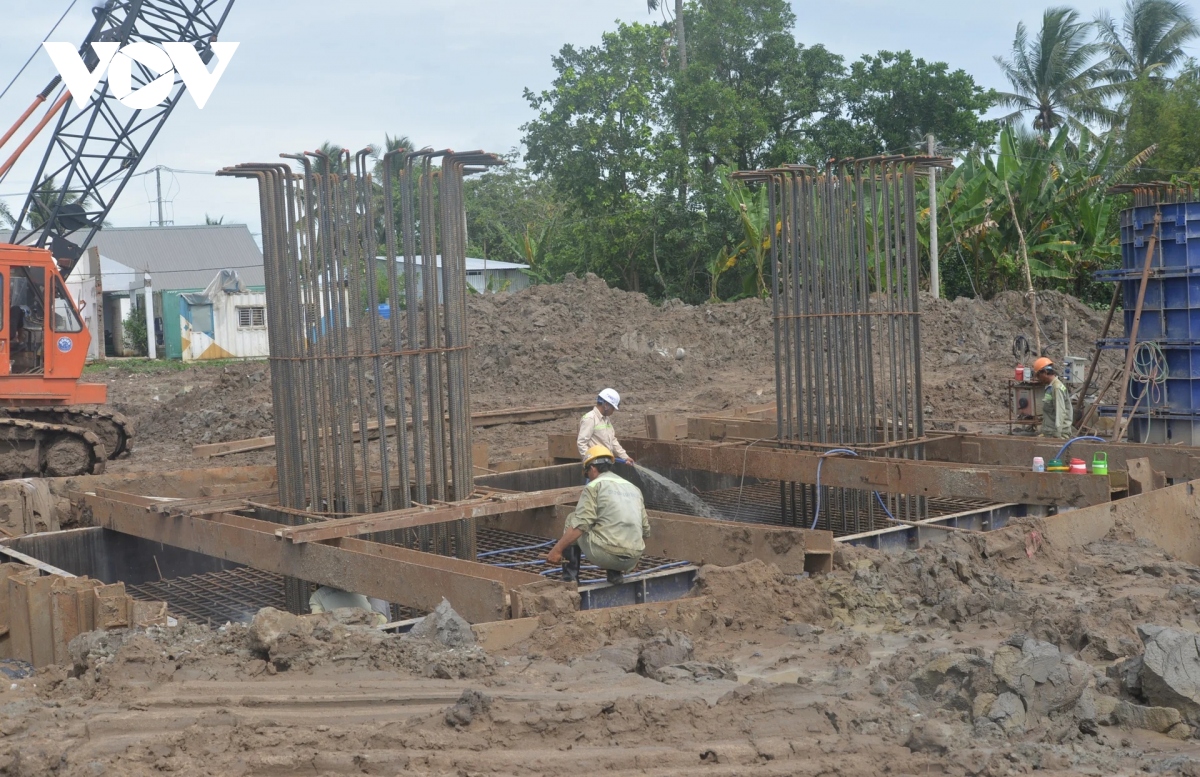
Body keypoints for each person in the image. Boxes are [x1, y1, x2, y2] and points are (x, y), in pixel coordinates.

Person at [545, 444, 650, 585]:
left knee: (573, 519)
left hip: (607, 555)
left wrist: (556, 550)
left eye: (587, 473)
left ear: (593, 468)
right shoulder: (634, 488)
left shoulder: (594, 486)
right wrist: (634, 557)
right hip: (632, 558)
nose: (588, 477)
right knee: (606, 520)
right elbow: (646, 530)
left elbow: (581, 524)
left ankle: (569, 580)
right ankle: (615, 575)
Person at [577, 388, 633, 465]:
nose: (613, 411)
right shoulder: (590, 419)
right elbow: (581, 443)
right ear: (606, 405)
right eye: (613, 408)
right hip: (596, 466)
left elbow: (613, 441)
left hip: (606, 463)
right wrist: (591, 461)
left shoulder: (606, 419)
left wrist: (625, 457)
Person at [1034, 357, 1073, 439]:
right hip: (1050, 432)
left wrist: (1057, 435)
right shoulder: (1051, 386)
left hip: (1057, 434)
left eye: (1038, 376)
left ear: (1044, 372)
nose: (1039, 379)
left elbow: (1060, 412)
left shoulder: (1056, 388)